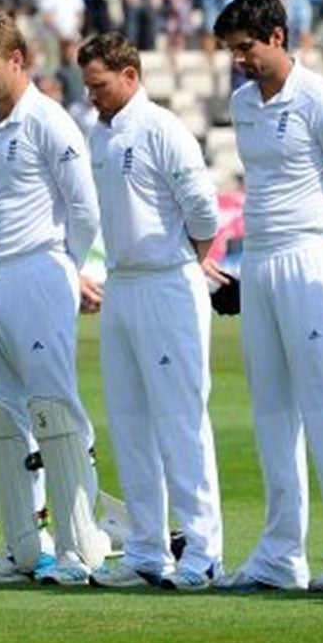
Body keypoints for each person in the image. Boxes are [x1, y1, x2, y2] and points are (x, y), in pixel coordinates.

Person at [211, 0, 323, 593]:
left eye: (246, 47)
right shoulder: (241, 102)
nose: (239, 60)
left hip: (311, 256)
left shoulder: (320, 99)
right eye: (232, 50)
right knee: (272, 411)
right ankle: (281, 554)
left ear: (277, 37)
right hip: (260, 260)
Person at [77, 31, 226, 591]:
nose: (92, 96)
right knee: (130, 420)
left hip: (166, 284)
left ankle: (204, 551)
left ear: (130, 76)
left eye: (99, 85)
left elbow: (205, 214)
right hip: (122, 284)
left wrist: (180, 263)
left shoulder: (163, 129)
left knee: (180, 421)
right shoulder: (99, 133)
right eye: (88, 86)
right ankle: (145, 549)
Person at [0, 11, 108, 585]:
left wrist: (63, 269)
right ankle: (22, 549)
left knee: (54, 410)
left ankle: (80, 548)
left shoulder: (50, 122)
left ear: (17, 61)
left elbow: (85, 209)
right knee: (3, 414)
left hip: (40, 271)